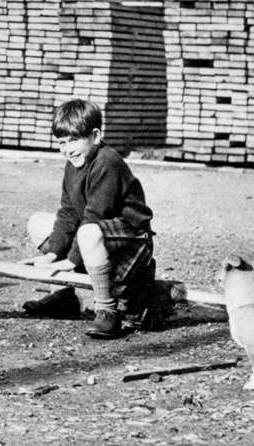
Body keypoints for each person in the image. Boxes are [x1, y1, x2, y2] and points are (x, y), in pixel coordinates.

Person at [20, 98, 155, 338]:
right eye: (61, 142)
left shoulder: (107, 162)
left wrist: (70, 261)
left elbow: (95, 215)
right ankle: (63, 297)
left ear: (95, 135)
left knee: (87, 231)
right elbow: (68, 211)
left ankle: (107, 312)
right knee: (38, 222)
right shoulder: (73, 163)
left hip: (131, 242)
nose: (67, 148)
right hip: (96, 238)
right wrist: (53, 253)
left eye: (74, 140)